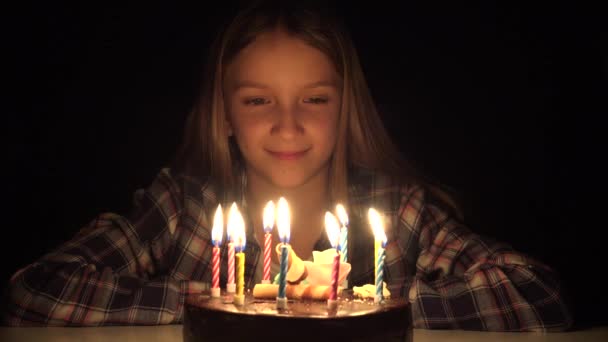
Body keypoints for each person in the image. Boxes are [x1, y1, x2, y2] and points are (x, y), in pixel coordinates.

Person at [3, 0, 572, 331]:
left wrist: (366, 310)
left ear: (345, 108)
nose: (288, 124)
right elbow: (36, 289)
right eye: (257, 101)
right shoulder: (183, 207)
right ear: (224, 114)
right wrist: (217, 306)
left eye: (315, 99)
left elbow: (536, 293)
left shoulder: (398, 213)